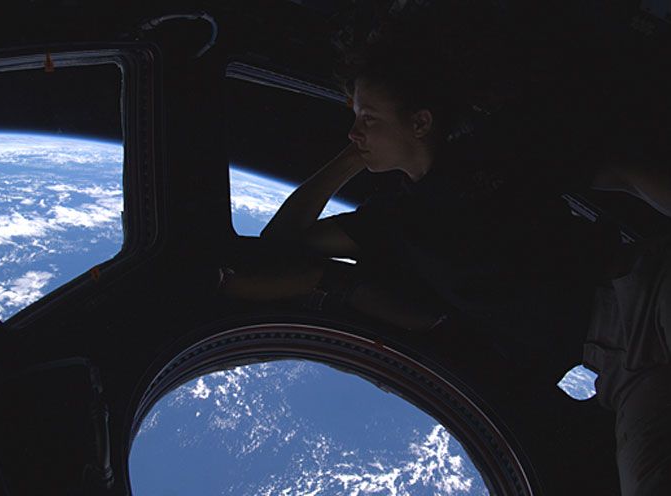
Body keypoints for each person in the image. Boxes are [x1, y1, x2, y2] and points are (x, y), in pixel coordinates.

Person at [221, 6, 671, 494]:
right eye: (354, 118)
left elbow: (622, 171)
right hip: (617, 365)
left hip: (641, 293)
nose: (355, 132)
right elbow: (279, 245)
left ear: (421, 123)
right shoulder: (394, 220)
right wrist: (351, 156)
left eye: (368, 119)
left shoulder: (497, 149)